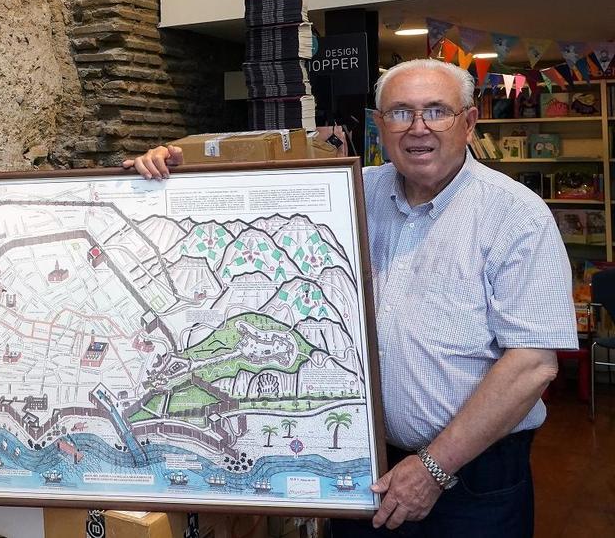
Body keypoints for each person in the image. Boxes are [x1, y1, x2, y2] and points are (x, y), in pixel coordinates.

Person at [125, 59, 576, 536]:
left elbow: (532, 363)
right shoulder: (351, 189)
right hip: (366, 469)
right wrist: (166, 177)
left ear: (469, 121)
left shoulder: (516, 216)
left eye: (436, 111)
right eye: (400, 113)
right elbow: (251, 199)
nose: (418, 128)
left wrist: (434, 468)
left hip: (471, 476)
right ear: (379, 126)